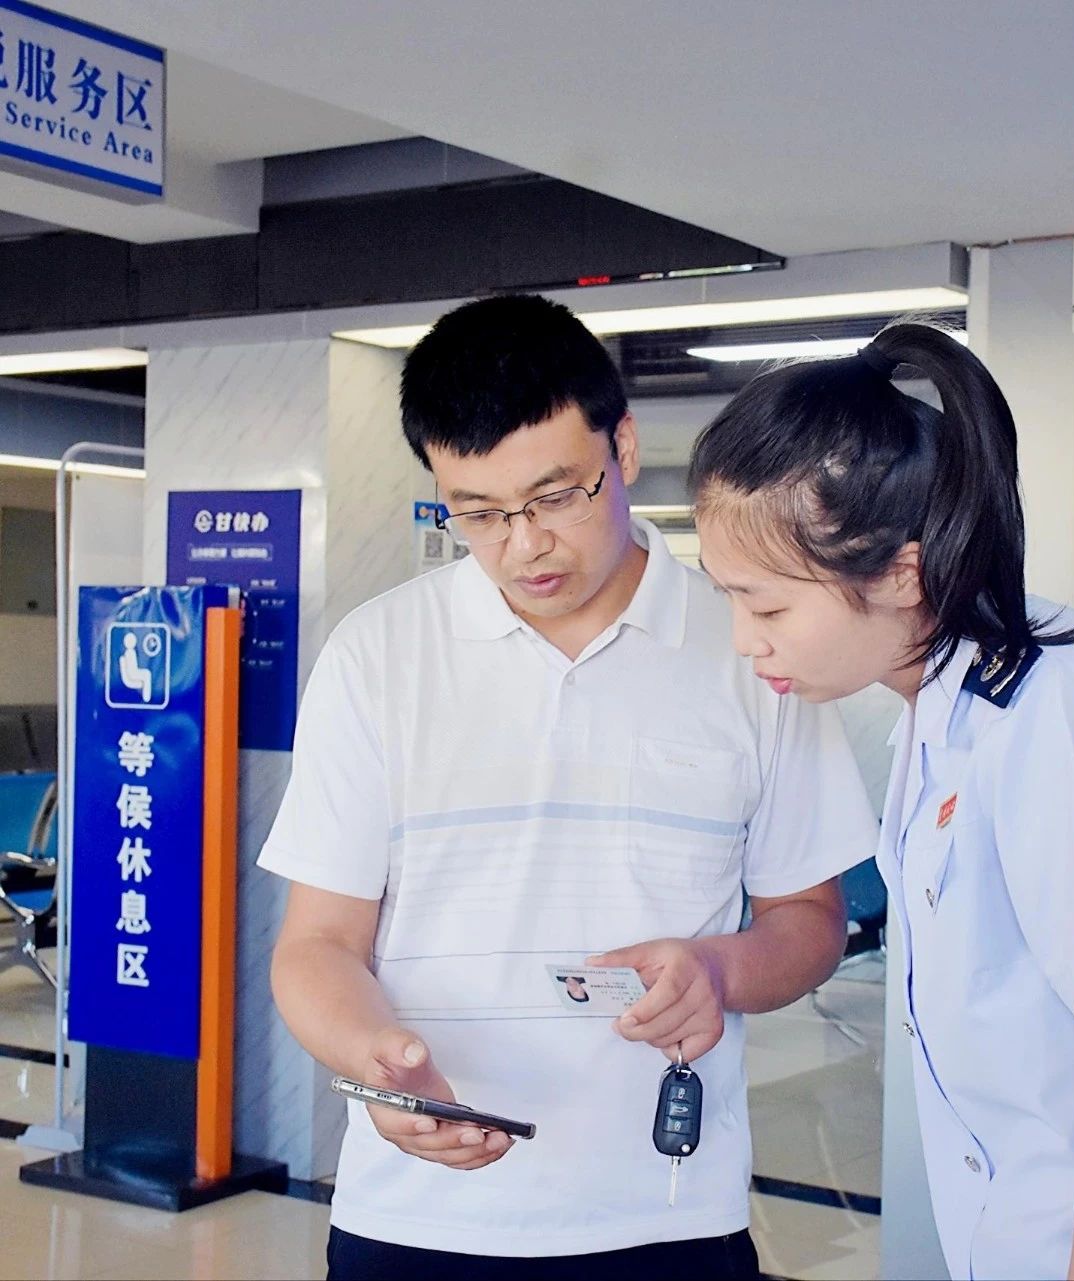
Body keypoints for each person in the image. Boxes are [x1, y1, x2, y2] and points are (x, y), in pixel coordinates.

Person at [261, 293, 877, 1281]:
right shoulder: (376, 656)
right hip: (417, 1221)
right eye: (477, 512)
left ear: (621, 449)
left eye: (555, 497)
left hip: (666, 1217)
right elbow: (316, 946)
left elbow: (808, 920)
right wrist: (373, 1056)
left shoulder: (750, 645)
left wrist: (717, 972)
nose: (523, 545)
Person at [689, 323, 1074, 1281]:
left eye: (768, 605)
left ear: (902, 573)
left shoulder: (1065, 712)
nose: (744, 639)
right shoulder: (945, 713)